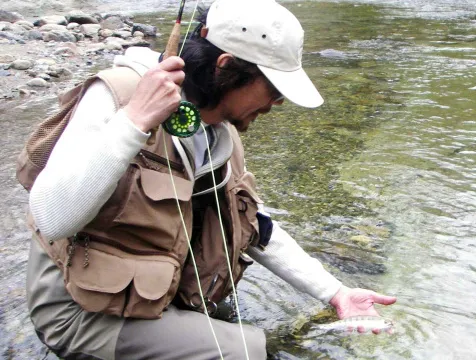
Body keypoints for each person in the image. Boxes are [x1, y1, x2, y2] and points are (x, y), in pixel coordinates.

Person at [22, 0, 396, 359]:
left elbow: (254, 226)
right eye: (274, 89)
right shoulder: (119, 94)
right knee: (243, 350)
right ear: (226, 66)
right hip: (76, 311)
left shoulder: (223, 134)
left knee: (234, 327)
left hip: (148, 299)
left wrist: (336, 293)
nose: (277, 103)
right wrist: (134, 122)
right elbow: (52, 218)